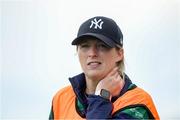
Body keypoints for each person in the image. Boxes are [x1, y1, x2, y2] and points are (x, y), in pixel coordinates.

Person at [49, 16, 160, 119]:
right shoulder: (61, 99)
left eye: (102, 46)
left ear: (119, 54)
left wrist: (101, 97)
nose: (92, 53)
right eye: (85, 46)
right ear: (77, 51)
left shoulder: (137, 103)